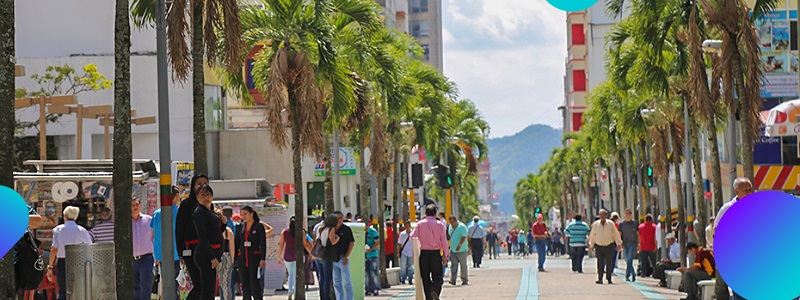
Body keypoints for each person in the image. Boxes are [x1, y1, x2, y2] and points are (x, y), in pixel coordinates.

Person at [714, 178, 753, 300]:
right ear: (736, 191)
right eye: (745, 190)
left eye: (750, 190)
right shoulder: (727, 209)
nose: (748, 193)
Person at [47, 206, 92, 300]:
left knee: (63, 290)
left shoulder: (58, 230)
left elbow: (54, 249)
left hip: (63, 262)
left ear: (65, 216)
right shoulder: (82, 230)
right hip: (78, 262)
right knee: (78, 290)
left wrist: (50, 266)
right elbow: (89, 248)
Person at [175, 174, 209, 299]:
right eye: (199, 183)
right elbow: (179, 229)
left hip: (208, 251)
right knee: (199, 285)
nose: (202, 186)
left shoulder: (209, 204)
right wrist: (181, 252)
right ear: (193, 186)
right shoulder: (187, 204)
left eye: (205, 183)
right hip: (191, 250)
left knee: (207, 287)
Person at [190, 185, 224, 300]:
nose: (206, 197)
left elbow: (216, 233)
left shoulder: (211, 211)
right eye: (202, 195)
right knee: (207, 290)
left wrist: (223, 223)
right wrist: (212, 258)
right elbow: (203, 237)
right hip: (206, 256)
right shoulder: (199, 213)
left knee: (210, 290)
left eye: (208, 194)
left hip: (213, 253)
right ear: (197, 197)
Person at [411, 204, 449, 300]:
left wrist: (420, 241)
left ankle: (429, 297)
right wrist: (446, 256)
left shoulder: (420, 224)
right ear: (435, 213)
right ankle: (435, 291)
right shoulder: (440, 225)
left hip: (424, 254)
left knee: (425, 277)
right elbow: (444, 241)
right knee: (438, 277)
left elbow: (412, 236)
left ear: (425, 213)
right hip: (436, 254)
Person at [152, 186, 181, 300]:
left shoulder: (157, 213)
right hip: (176, 253)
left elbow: (155, 235)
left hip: (162, 255)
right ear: (177, 195)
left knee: (167, 284)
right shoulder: (179, 212)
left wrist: (157, 255)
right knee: (176, 283)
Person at [278, 216, 313, 300]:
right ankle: (296, 292)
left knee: (291, 274)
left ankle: (290, 291)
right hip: (299, 256)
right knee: (298, 275)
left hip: (288, 256)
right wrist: (312, 253)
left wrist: (279, 257)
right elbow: (305, 245)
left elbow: (282, 245)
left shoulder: (284, 232)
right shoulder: (301, 232)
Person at [235, 206, 266, 300]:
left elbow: (263, 243)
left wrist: (262, 258)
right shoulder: (240, 227)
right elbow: (237, 243)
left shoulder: (259, 226)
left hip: (254, 258)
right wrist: (236, 258)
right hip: (243, 259)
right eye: (242, 214)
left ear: (251, 214)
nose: (243, 216)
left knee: (254, 283)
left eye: (245, 214)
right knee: (244, 284)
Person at [588, 209, 623, 284]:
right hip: (599, 246)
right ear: (599, 216)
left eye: (604, 214)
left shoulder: (611, 224)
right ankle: (600, 278)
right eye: (601, 214)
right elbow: (592, 235)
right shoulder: (596, 224)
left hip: (609, 246)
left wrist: (618, 244)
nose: (602, 216)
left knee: (609, 263)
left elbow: (615, 234)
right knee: (600, 263)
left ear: (606, 215)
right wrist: (591, 245)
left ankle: (609, 278)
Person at [132, 199, 155, 300]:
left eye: (137, 204)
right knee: (135, 287)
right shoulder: (126, 224)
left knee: (146, 285)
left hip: (146, 258)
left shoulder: (149, 220)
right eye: (132, 205)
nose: (135, 207)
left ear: (140, 206)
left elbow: (154, 237)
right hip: (132, 259)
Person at [332, 211, 355, 300]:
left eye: (341, 218)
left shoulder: (346, 229)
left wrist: (347, 256)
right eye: (337, 218)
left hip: (343, 259)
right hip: (333, 259)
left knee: (347, 282)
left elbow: (351, 243)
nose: (339, 220)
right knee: (337, 282)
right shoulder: (331, 229)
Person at [316, 214, 340, 300]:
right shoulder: (331, 229)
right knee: (327, 278)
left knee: (321, 278)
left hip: (319, 256)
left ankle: (322, 296)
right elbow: (333, 241)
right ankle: (327, 297)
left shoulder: (321, 229)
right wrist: (338, 238)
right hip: (326, 256)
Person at [214, 209, 236, 300]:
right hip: (226, 257)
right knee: (226, 284)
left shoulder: (212, 230)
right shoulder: (228, 231)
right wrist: (232, 260)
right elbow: (232, 249)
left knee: (211, 283)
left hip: (214, 257)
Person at [447, 216, 469, 285]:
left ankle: (464, 279)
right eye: (450, 222)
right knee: (453, 265)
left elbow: (464, 236)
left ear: (456, 220)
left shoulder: (462, 226)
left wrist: (459, 245)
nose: (452, 224)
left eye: (453, 222)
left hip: (462, 250)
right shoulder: (450, 227)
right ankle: (453, 279)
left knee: (463, 265)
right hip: (453, 250)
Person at [618, 209, 638, 282]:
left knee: (630, 259)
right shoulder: (622, 224)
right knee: (627, 260)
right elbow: (619, 234)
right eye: (626, 213)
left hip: (632, 243)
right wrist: (619, 243)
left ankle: (627, 275)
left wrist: (639, 243)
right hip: (625, 243)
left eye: (628, 213)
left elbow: (637, 234)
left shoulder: (634, 223)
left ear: (631, 214)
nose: (627, 215)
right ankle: (633, 273)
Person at [365, 222, 381, 296]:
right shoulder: (361, 232)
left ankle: (375, 289)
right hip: (364, 256)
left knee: (374, 273)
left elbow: (377, 243)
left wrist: (370, 250)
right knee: (366, 273)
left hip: (373, 255)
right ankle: (368, 289)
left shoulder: (373, 232)